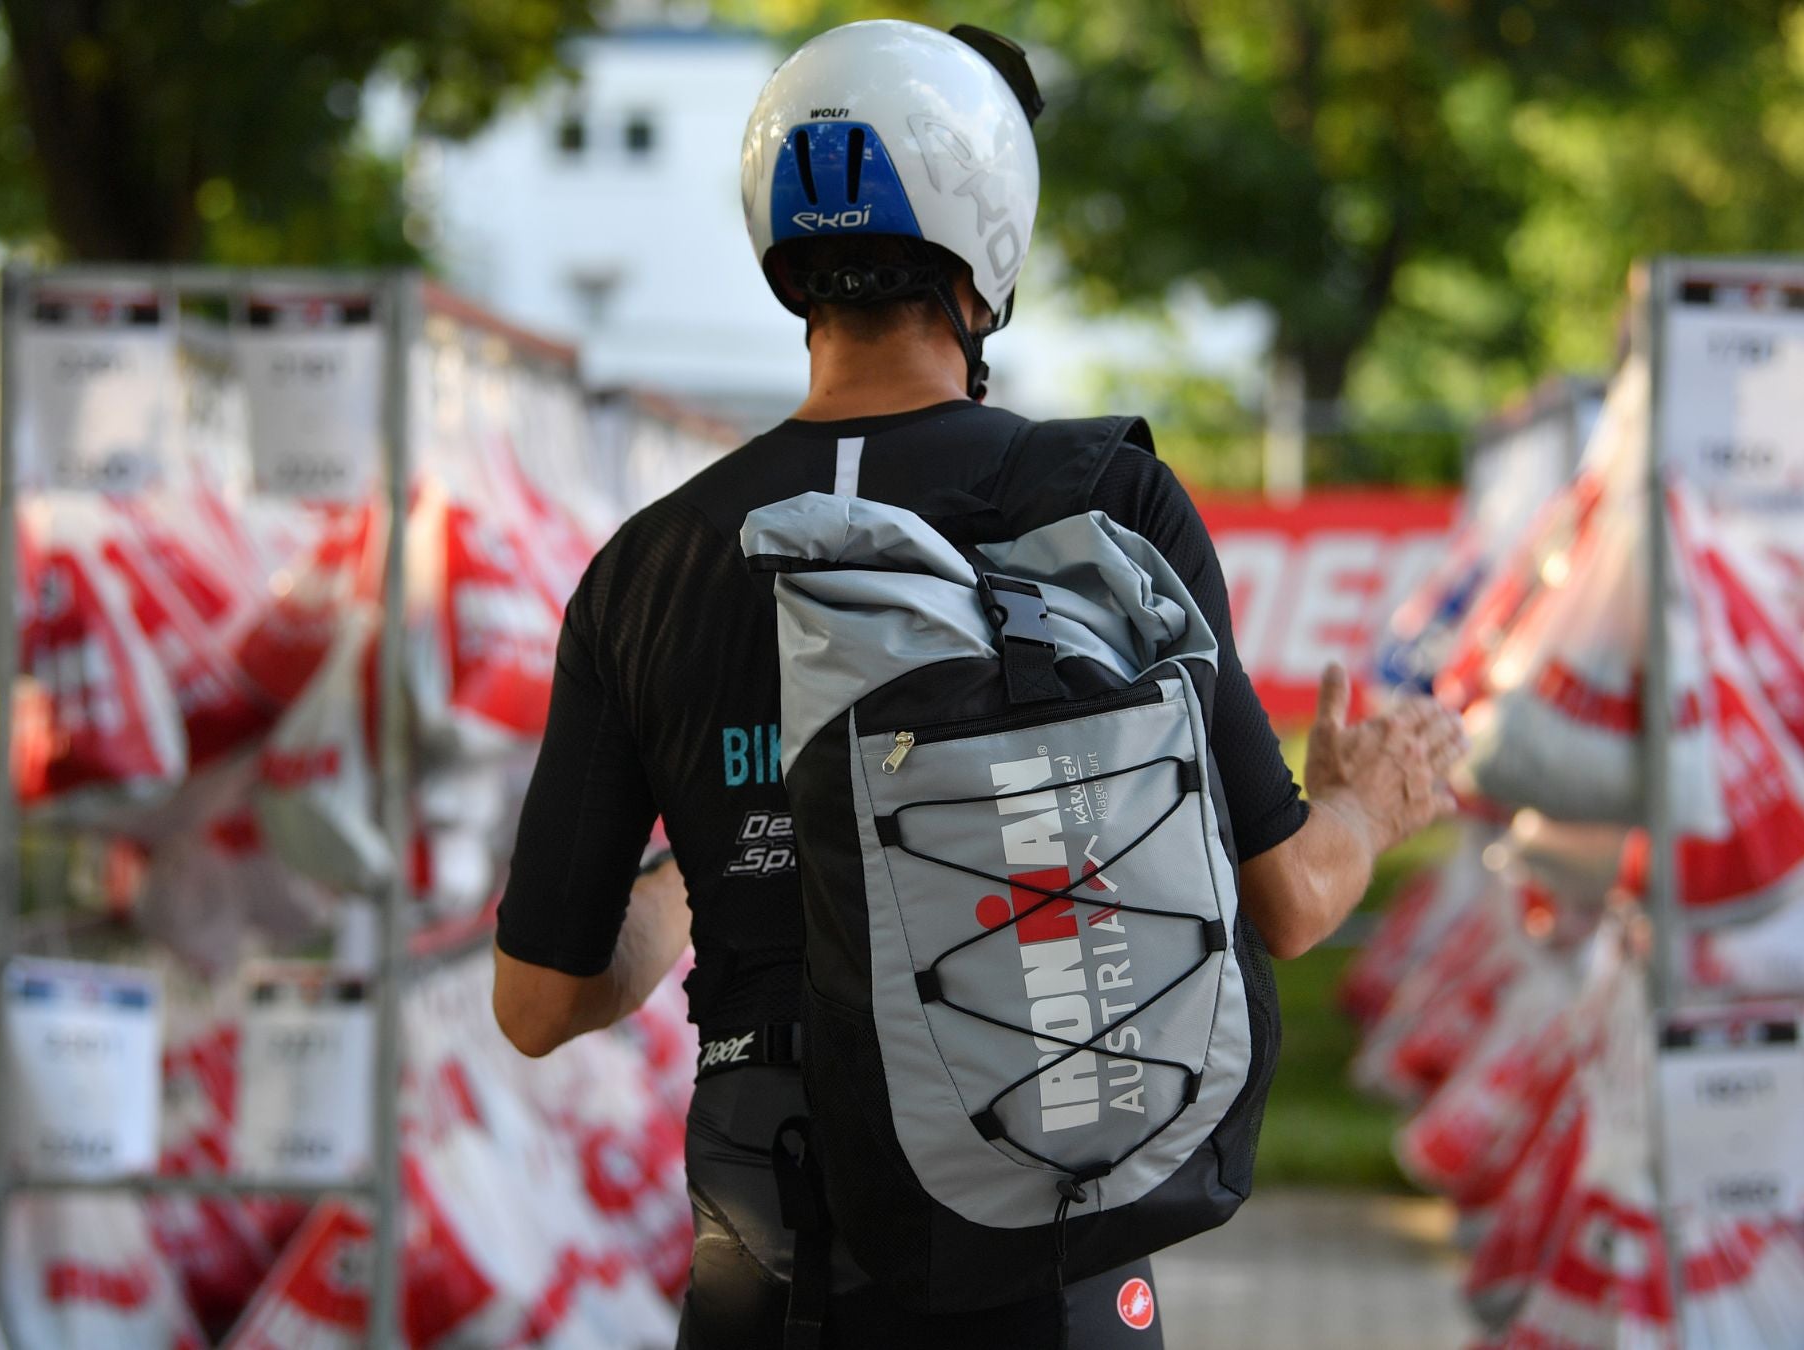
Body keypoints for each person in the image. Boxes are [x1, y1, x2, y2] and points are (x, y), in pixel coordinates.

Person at [490, 20, 1465, 1347]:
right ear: (989, 228)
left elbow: (540, 999)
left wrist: (713, 868)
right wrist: (1365, 803)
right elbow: (1285, 900)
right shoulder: (1100, 497)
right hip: (1030, 1213)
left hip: (765, 1251)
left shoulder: (642, 568)